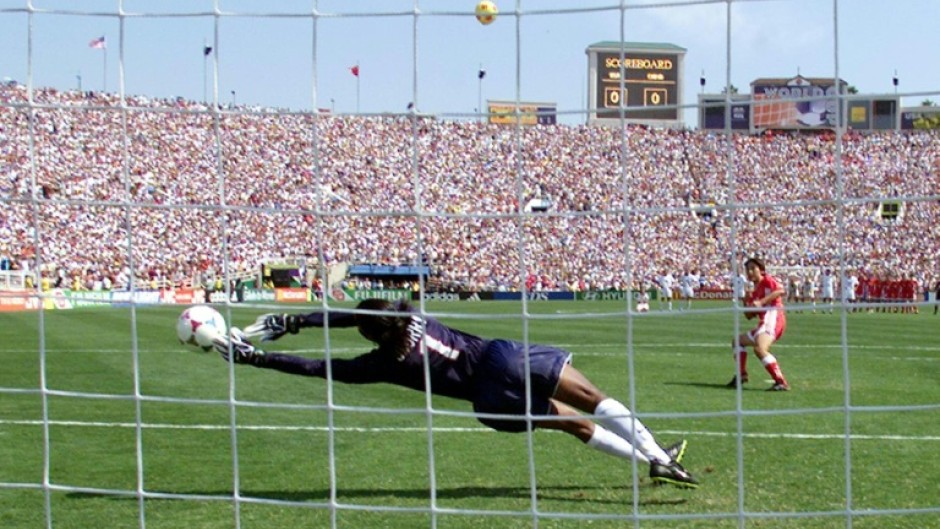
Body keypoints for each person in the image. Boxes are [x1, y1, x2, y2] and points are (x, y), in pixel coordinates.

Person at [213, 298, 699, 489]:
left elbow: (322, 368)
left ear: (370, 334)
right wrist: (299, 320)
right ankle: (658, 454)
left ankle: (650, 462)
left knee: (572, 422)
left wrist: (261, 357)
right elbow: (350, 314)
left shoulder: (386, 364)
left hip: (486, 401)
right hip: (500, 357)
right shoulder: (414, 315)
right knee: (593, 397)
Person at [727, 257, 791, 391]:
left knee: (760, 349)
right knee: (738, 341)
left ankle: (781, 382)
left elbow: (780, 291)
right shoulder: (754, 292)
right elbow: (749, 316)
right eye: (747, 269)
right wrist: (746, 302)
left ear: (761, 270)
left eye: (752, 268)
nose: (749, 272)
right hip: (764, 323)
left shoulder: (767, 280)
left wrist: (762, 302)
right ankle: (741, 375)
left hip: (774, 317)